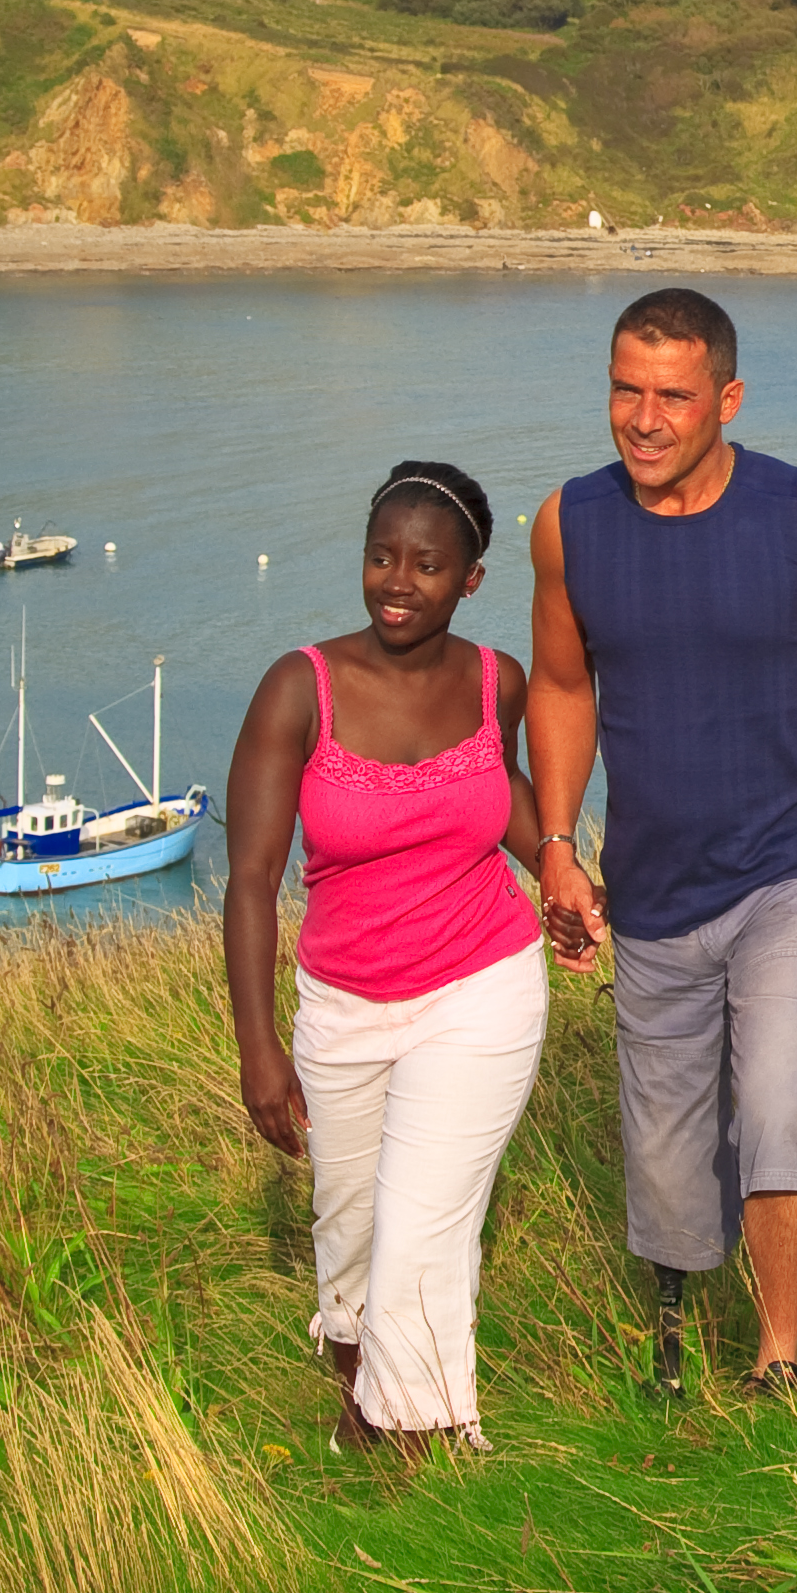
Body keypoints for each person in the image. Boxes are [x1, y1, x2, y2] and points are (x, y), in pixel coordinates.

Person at [525, 287, 797, 1402]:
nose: (645, 416)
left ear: (727, 396)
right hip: (656, 886)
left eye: (673, 394)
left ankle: (779, 1359)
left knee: (776, 1101)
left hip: (796, 865)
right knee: (671, 1154)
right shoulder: (568, 524)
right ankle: (674, 1312)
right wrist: (561, 844)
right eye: (626, 388)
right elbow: (565, 688)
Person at [223, 460, 570, 1462]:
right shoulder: (300, 689)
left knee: (422, 1224)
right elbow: (251, 880)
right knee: (352, 1238)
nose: (398, 580)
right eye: (382, 555)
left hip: (482, 986)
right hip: (343, 1005)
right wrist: (258, 1051)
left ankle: (418, 1447)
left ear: (471, 577)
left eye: (427, 562)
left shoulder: (495, 679)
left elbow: (495, 787)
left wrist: (560, 871)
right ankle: (364, 1408)